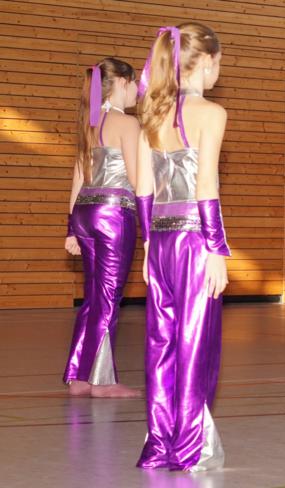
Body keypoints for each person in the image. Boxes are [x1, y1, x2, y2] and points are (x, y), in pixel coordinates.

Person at [134, 22, 230, 470]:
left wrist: (148, 246)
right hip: (194, 239)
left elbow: (144, 190)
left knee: (162, 343)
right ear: (206, 61)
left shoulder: (152, 114)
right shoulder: (210, 113)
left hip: (161, 241)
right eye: (219, 62)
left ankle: (160, 442)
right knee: (194, 341)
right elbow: (206, 186)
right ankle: (190, 444)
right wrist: (217, 248)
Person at [63, 57, 142, 398]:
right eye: (135, 83)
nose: (138, 90)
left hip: (84, 213)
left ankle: (79, 375)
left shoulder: (90, 123)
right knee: (109, 297)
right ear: (122, 82)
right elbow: (138, 180)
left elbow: (78, 176)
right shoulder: (127, 124)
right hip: (113, 214)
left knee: (93, 296)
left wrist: (71, 228)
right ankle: (102, 381)